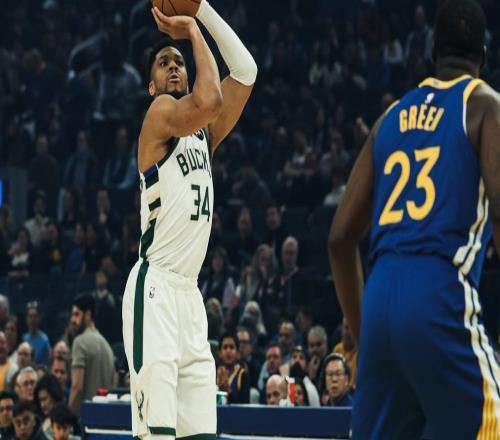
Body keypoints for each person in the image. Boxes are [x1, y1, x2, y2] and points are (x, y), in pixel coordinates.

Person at [328, 1, 500, 438]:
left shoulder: (389, 118)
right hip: (439, 294)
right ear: (484, 55)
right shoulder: (486, 106)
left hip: (379, 295)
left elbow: (339, 239)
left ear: (432, 51)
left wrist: (367, 336)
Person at [121, 2, 257, 440]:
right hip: (155, 289)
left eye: (179, 61)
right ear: (151, 86)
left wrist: (202, 10)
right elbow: (211, 98)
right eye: (164, 63)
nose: (174, 67)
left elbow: (246, 71)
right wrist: (191, 30)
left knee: (200, 434)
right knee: (157, 434)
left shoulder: (205, 135)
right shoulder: (159, 114)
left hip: (190, 296)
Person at [68, 294, 114, 416]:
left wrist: (66, 417)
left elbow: (77, 387)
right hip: (106, 417)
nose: (72, 319)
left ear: (88, 314)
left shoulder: (79, 342)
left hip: (86, 418)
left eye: (76, 314)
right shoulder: (106, 345)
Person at [216, 333, 249, 404]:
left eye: (231, 347)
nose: (228, 351)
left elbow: (245, 406)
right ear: (220, 353)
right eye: (225, 347)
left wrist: (228, 391)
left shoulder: (243, 375)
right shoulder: (213, 373)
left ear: (237, 353)